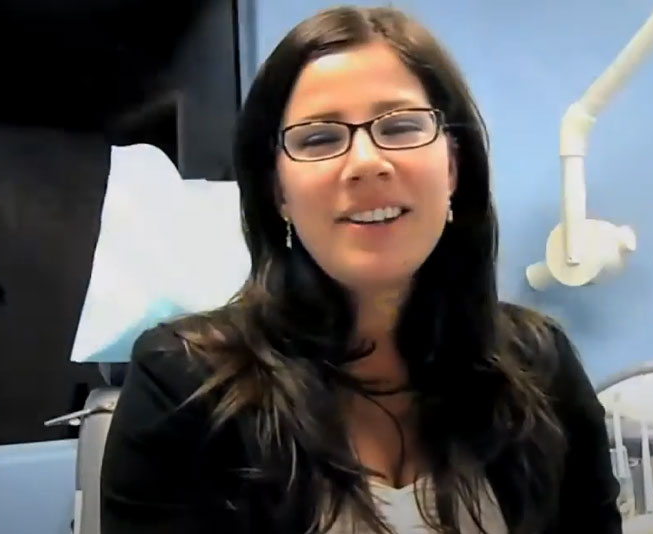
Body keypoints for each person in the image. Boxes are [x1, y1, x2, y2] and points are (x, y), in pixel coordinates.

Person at [100, 5, 622, 534]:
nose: (368, 161)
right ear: (278, 189)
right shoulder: (182, 387)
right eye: (320, 138)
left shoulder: (541, 370)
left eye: (400, 126)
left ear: (453, 167)